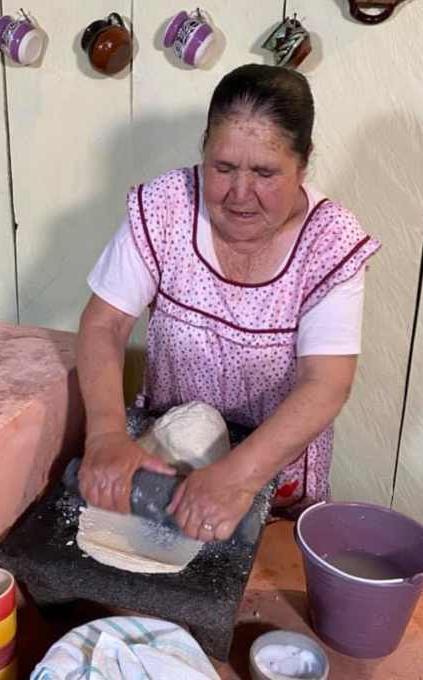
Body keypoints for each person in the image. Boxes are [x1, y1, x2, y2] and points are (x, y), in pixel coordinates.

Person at [75, 64, 380, 542]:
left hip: (273, 481)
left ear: (303, 164)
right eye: (223, 168)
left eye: (264, 172)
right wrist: (107, 435)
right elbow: (104, 325)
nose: (240, 194)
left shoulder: (331, 242)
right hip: (166, 464)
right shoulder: (166, 205)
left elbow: (325, 384)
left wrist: (238, 478)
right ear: (204, 148)